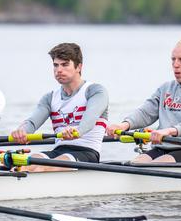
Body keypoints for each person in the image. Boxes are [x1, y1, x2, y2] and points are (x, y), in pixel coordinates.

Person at [107, 33, 181, 163]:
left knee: (153, 167)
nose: (176, 64)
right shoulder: (166, 88)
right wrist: (124, 125)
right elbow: (145, 112)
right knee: (134, 164)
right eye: (173, 59)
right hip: (162, 146)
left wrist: (169, 131)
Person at [10, 43, 108, 172]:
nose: (59, 70)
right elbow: (32, 122)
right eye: (56, 65)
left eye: (65, 64)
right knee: (22, 166)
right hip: (58, 150)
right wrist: (22, 131)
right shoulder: (50, 98)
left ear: (79, 67)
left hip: (87, 153)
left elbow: (88, 121)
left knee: (42, 169)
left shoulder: (95, 91)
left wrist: (77, 131)